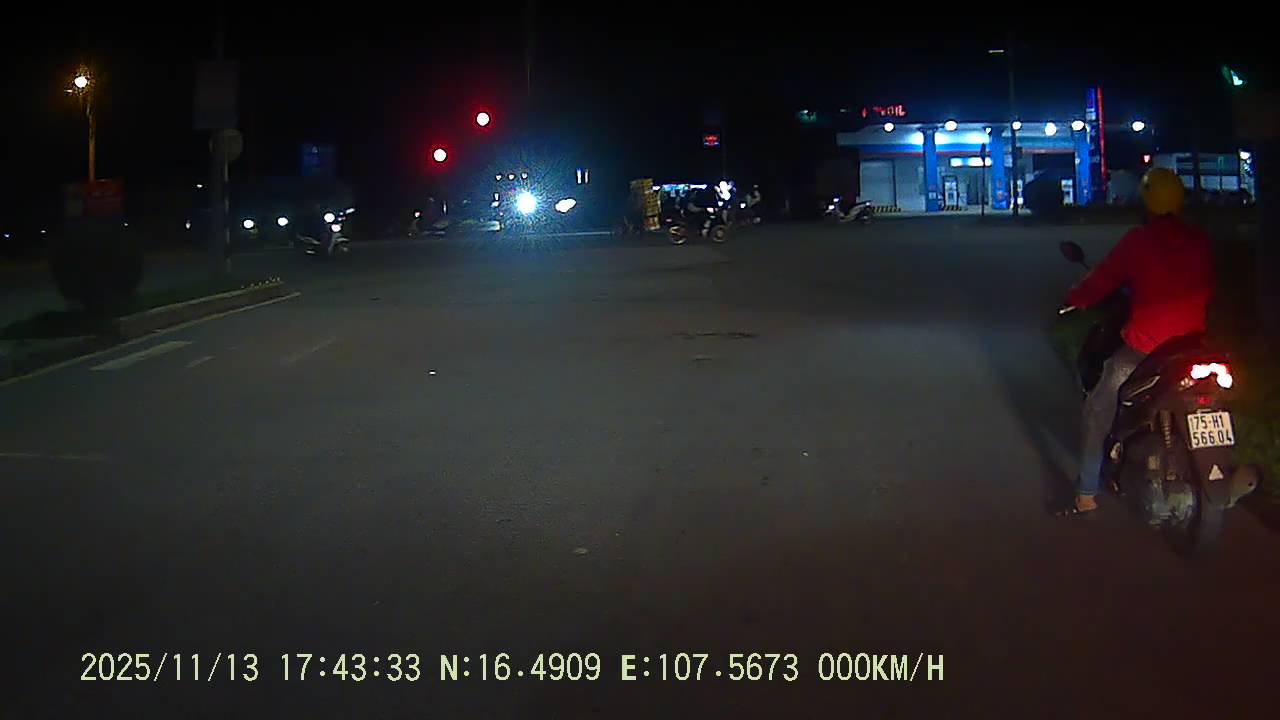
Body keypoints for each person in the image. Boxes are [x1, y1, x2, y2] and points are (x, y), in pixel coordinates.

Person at [1055, 167, 1214, 516]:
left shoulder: (1139, 241)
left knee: (1100, 402)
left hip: (1147, 345)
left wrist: (1075, 298)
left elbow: (1104, 279)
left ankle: (1086, 493)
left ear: (1146, 202)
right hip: (1193, 344)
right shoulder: (1199, 240)